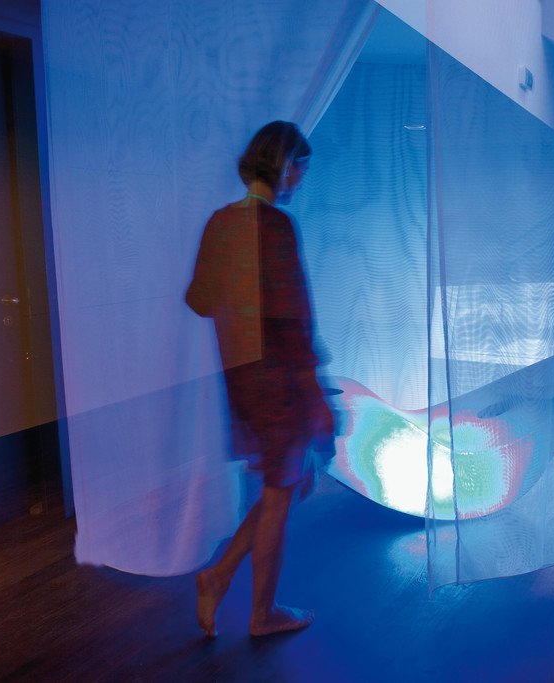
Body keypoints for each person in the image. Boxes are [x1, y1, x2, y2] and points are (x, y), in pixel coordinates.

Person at [186, 121, 334, 638]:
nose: (301, 180)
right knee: (281, 490)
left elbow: (199, 299)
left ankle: (219, 577)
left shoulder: (221, 222)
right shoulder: (275, 227)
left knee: (284, 486)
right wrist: (317, 397)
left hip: (241, 377)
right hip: (279, 381)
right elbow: (296, 321)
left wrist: (240, 294)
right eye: (300, 169)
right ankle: (261, 614)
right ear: (285, 165)